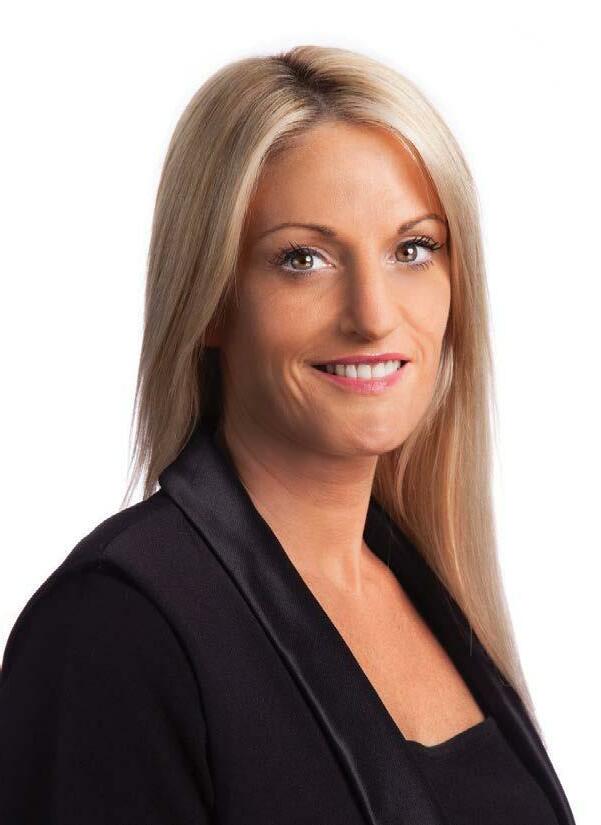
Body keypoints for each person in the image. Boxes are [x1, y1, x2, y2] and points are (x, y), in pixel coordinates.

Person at [0, 45, 575, 824]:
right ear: (209, 299)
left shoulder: (424, 586)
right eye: (303, 258)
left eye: (411, 249)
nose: (372, 314)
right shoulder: (114, 624)